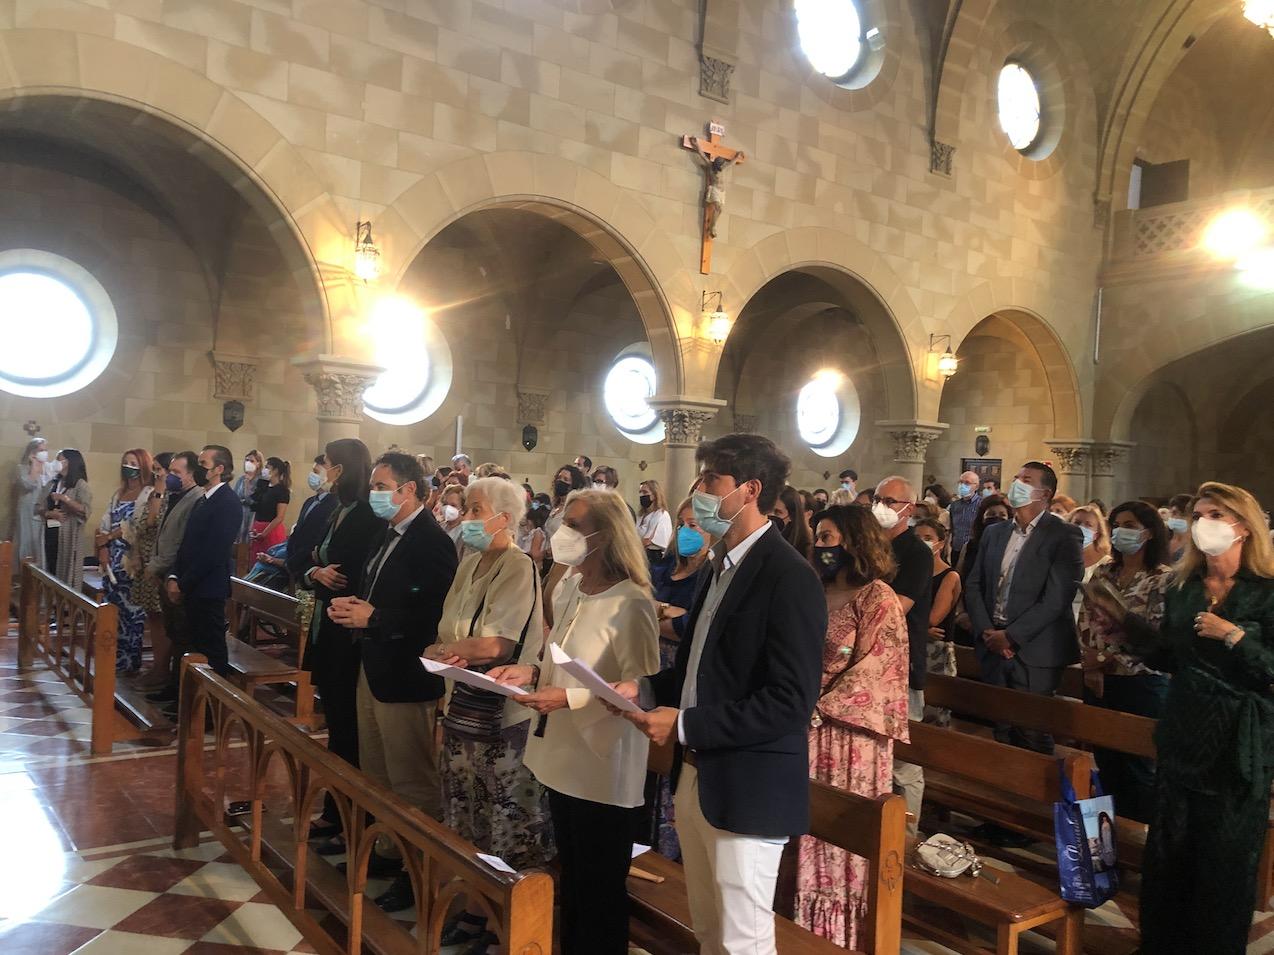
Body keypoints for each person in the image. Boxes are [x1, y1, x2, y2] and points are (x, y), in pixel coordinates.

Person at [613, 434, 826, 955]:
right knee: (709, 931)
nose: (698, 491)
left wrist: (685, 725)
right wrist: (643, 689)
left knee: (741, 940)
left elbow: (790, 702)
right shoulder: (719, 567)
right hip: (698, 775)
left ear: (750, 490)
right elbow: (698, 672)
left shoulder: (788, 576)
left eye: (710, 480)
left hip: (748, 787)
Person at [1087, 482, 1274, 955]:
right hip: (1184, 729)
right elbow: (1171, 657)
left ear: (1244, 527)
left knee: (1224, 857)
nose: (1203, 523)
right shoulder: (1185, 587)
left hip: (1238, 740)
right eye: (1199, 515)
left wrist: (1234, 637)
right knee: (1170, 851)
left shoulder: (1266, 592)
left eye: (1215, 514)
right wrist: (1125, 627)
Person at [490, 489, 658, 955]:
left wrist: (568, 698)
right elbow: (558, 659)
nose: (563, 534)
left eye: (575, 526)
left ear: (606, 535)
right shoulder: (568, 587)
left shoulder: (631, 601)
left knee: (600, 889)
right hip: (561, 752)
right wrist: (529, 672)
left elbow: (641, 690)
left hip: (603, 760)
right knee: (573, 881)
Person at [327, 452, 458, 911]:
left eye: (382, 486)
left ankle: (418, 869)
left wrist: (376, 617)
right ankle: (388, 850)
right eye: (373, 486)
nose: (374, 494)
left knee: (411, 778)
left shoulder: (432, 541)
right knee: (377, 771)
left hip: (406, 674)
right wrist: (354, 607)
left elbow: (434, 615)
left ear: (409, 490)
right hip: (374, 664)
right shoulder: (387, 533)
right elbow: (378, 592)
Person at [423, 477, 551, 946]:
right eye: (468, 509)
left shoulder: (518, 565)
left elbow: (497, 643)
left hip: (502, 717)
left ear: (504, 518)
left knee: (504, 820)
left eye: (476, 510)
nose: (467, 518)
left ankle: (505, 921)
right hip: (463, 705)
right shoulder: (471, 562)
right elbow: (449, 629)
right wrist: (445, 648)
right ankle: (475, 907)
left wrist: (445, 650)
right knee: (466, 814)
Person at [796, 504, 909, 950]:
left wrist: (819, 706)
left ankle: (835, 937)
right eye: (817, 537)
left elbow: (880, 669)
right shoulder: (813, 588)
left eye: (827, 537)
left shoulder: (877, 598)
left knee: (835, 839)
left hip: (847, 737)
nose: (819, 546)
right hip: (799, 723)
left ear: (855, 541)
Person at [297, 439, 384, 848]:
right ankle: (336, 811)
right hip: (327, 623)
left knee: (348, 729)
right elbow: (303, 551)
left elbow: (348, 567)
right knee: (337, 725)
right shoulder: (338, 508)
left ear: (343, 468)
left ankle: (350, 817)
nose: (323, 471)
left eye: (328, 464)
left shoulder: (365, 512)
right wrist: (314, 570)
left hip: (346, 632)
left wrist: (317, 561)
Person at [965, 462, 1083, 754]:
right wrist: (987, 631)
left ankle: (1040, 785)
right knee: (1001, 729)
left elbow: (1057, 598)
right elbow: (975, 584)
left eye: (1026, 480)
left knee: (1032, 732)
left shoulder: (1064, 535)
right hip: (993, 644)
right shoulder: (995, 533)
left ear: (1045, 493)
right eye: (1017, 478)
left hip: (1035, 650)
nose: (1017, 483)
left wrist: (1011, 636)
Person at [1077, 500, 1172, 824]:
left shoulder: (1163, 579)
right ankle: (1107, 839)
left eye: (1129, 525)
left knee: (1137, 768)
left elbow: (1155, 634)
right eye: (1116, 525)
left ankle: (1137, 835)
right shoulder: (1105, 570)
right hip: (1100, 679)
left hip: (1140, 680)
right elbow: (1086, 618)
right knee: (1106, 764)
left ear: (1149, 532)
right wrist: (1090, 661)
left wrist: (1105, 658)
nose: (1121, 531)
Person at [646, 498, 713, 860]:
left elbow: (689, 626)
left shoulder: (709, 574)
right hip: (649, 664)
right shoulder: (662, 568)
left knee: (669, 750)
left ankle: (668, 849)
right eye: (681, 524)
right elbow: (641, 610)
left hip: (679, 670)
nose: (686, 531)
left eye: (694, 525)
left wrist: (658, 615)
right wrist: (664, 614)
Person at [872, 476, 933, 839]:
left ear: (908, 509)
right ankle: (875, 835)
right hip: (866, 666)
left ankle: (906, 842)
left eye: (888, 501)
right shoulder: (868, 546)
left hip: (901, 666)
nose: (879, 506)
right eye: (877, 498)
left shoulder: (916, 553)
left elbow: (896, 607)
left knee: (904, 766)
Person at [167, 446, 241, 677]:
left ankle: (212, 698)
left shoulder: (227, 502)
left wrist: (183, 583)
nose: (198, 469)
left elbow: (213, 553)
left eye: (203, 465)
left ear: (219, 469)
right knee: (188, 645)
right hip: (192, 585)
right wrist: (174, 575)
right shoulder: (204, 499)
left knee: (210, 649)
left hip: (208, 589)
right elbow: (186, 543)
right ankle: (182, 693)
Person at [143, 451, 200, 703]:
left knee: (183, 635)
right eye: (171, 471)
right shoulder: (174, 495)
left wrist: (161, 566)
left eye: (177, 472)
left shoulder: (195, 499)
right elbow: (162, 532)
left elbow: (180, 541)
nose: (171, 476)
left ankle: (181, 692)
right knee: (173, 632)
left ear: (191, 474)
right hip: (164, 572)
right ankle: (171, 685)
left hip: (176, 574)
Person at [98, 449, 154, 674]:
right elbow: (105, 524)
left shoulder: (148, 494)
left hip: (132, 559)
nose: (128, 466)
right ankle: (112, 659)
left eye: (133, 462)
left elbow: (138, 527)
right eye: (125, 462)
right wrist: (103, 548)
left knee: (132, 613)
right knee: (113, 612)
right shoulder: (118, 494)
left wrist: (111, 536)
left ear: (143, 466)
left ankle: (130, 662)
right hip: (112, 558)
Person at [914, 518, 961, 724]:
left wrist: (913, 626)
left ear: (940, 543)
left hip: (936, 652)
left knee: (932, 713)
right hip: (913, 644)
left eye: (928, 538)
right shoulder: (908, 570)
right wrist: (919, 630)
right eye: (917, 538)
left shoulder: (949, 576)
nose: (922, 542)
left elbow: (934, 618)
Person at [133, 453, 173, 688]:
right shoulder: (151, 493)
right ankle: (157, 665)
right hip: (146, 559)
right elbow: (141, 525)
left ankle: (162, 668)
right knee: (152, 617)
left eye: (160, 469)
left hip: (159, 562)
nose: (157, 473)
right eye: (155, 469)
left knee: (162, 618)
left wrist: (159, 491)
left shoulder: (170, 496)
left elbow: (153, 521)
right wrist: (136, 554)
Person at [284, 456, 341, 585]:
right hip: (296, 565)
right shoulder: (309, 502)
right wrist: (290, 558)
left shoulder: (335, 504)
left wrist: (299, 560)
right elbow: (297, 532)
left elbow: (315, 538)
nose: (312, 475)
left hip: (312, 567)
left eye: (316, 472)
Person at [43, 450, 91, 590]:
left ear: (70, 462)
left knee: (64, 571)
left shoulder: (80, 485)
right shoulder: (53, 482)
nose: (56, 462)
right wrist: (49, 513)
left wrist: (65, 499)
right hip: (50, 531)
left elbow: (85, 510)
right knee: (49, 567)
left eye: (60, 459)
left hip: (68, 534)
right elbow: (39, 507)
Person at [1066, 503, 1112, 621]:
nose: (1080, 528)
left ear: (1096, 534)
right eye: (1077, 523)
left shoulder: (1106, 563)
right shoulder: (1055, 556)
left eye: (1088, 525)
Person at [12, 438, 48, 573]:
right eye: (41, 450)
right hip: (26, 512)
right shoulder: (21, 468)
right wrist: (34, 466)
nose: (44, 453)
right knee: (25, 543)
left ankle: (39, 575)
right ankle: (22, 575)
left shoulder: (47, 468)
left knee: (39, 545)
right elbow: (27, 484)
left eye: (45, 450)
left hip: (41, 512)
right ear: (32, 452)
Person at [248, 457, 291, 565]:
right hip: (258, 528)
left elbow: (279, 517)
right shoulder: (263, 486)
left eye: (267, 467)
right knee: (254, 561)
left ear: (275, 470)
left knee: (268, 561)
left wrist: (264, 533)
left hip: (271, 530)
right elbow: (255, 507)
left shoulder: (282, 490)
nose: (264, 470)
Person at [636, 478, 673, 563]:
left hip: (654, 557)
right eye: (640, 492)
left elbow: (648, 540)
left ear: (655, 495)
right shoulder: (641, 515)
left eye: (645, 492)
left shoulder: (662, 514)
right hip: (640, 554)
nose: (641, 495)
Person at [773, 484, 812, 559]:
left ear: (791, 516)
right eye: (768, 510)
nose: (771, 515)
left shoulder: (803, 546)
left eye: (777, 512)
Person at [234, 450, 263, 543]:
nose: (248, 463)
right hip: (240, 515)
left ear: (258, 463)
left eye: (252, 461)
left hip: (253, 517)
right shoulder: (241, 479)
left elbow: (253, 501)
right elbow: (235, 497)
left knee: (249, 542)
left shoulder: (261, 481)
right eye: (247, 460)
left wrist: (247, 486)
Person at [436, 484, 466, 558]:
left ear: (463, 509)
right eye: (445, 504)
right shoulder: (440, 527)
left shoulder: (465, 532)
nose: (447, 508)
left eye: (453, 505)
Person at [1166, 492, 1193, 561]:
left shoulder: (1195, 546)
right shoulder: (1164, 538)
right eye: (1171, 513)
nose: (1171, 517)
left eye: (1175, 513)